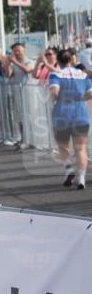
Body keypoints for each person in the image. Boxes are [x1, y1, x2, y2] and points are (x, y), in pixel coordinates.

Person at [48, 49, 92, 190]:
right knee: (81, 148)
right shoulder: (82, 75)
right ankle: (81, 178)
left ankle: (68, 168)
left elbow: (54, 93)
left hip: (62, 114)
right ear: (71, 59)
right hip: (80, 113)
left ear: (58, 61)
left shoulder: (55, 74)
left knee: (63, 146)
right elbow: (90, 94)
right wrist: (79, 98)